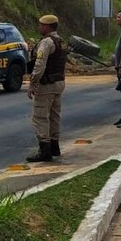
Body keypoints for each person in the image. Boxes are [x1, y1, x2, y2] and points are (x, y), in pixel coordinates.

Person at [27, 14, 67, 162]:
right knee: (54, 115)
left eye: (42, 25)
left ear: (48, 27)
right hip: (59, 82)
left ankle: (44, 150)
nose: (40, 27)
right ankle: (55, 146)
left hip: (46, 84)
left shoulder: (46, 43)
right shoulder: (61, 42)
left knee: (40, 117)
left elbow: (39, 65)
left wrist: (33, 83)